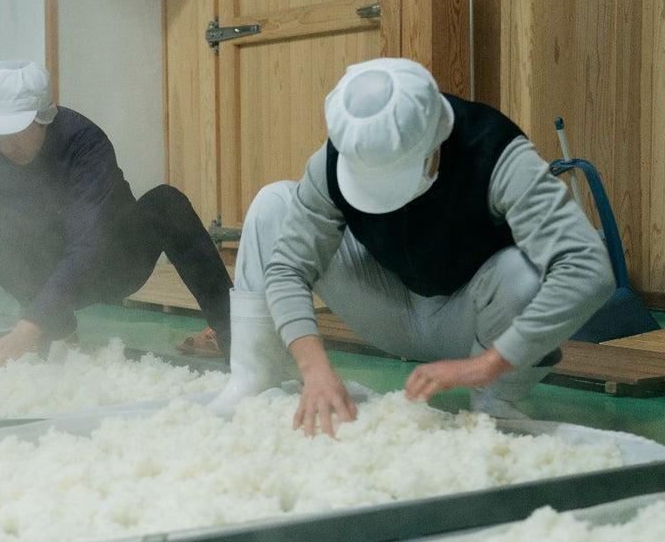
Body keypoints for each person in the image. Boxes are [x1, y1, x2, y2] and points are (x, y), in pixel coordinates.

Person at [212, 57, 614, 436]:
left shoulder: (495, 153)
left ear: (436, 140)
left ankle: (494, 402)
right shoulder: (334, 159)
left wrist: (490, 364)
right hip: (386, 306)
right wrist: (314, 370)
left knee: (524, 275)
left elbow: (588, 267)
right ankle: (253, 379)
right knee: (273, 204)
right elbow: (287, 268)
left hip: (472, 323)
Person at [0, 59, 232, 373]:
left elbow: (90, 242)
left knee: (167, 202)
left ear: (44, 117)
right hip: (43, 275)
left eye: (16, 130)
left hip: (112, 263)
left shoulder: (84, 142)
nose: (5, 143)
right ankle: (60, 333)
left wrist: (26, 329)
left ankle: (232, 332)